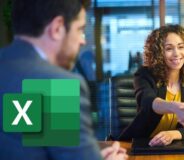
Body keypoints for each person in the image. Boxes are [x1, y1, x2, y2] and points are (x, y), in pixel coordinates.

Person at [0, 0, 127, 159]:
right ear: (57, 28)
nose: (83, 40)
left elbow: (28, 147)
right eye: (80, 29)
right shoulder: (55, 83)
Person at [119, 24, 184, 146]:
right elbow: (148, 102)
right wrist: (176, 107)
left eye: (181, 47)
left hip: (174, 145)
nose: (177, 53)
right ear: (158, 53)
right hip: (141, 143)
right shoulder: (144, 75)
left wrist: (172, 134)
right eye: (169, 49)